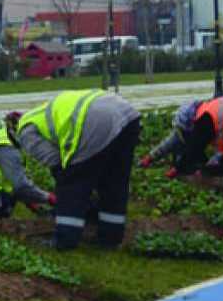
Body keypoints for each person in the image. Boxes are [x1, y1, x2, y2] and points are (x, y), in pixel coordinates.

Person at [12, 89, 142, 250]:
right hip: (127, 116)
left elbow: (56, 162)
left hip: (93, 119)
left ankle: (65, 240)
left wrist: (68, 193)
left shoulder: (25, 130)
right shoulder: (47, 111)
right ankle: (110, 238)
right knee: (114, 183)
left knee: (72, 184)